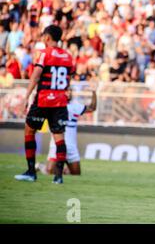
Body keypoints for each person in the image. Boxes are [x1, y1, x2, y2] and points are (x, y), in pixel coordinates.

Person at [14, 25, 73, 184]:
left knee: (29, 130)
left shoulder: (44, 54)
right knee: (59, 138)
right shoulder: (68, 56)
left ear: (47, 37)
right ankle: (58, 177)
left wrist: (27, 96)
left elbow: (35, 76)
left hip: (43, 100)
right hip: (60, 102)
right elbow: (68, 80)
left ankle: (31, 172)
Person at [37, 87, 97, 175]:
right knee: (49, 171)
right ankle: (40, 166)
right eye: (66, 91)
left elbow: (92, 108)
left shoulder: (75, 106)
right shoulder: (54, 106)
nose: (69, 93)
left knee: (76, 174)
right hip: (56, 144)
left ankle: (63, 169)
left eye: (70, 91)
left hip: (71, 147)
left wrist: (94, 92)